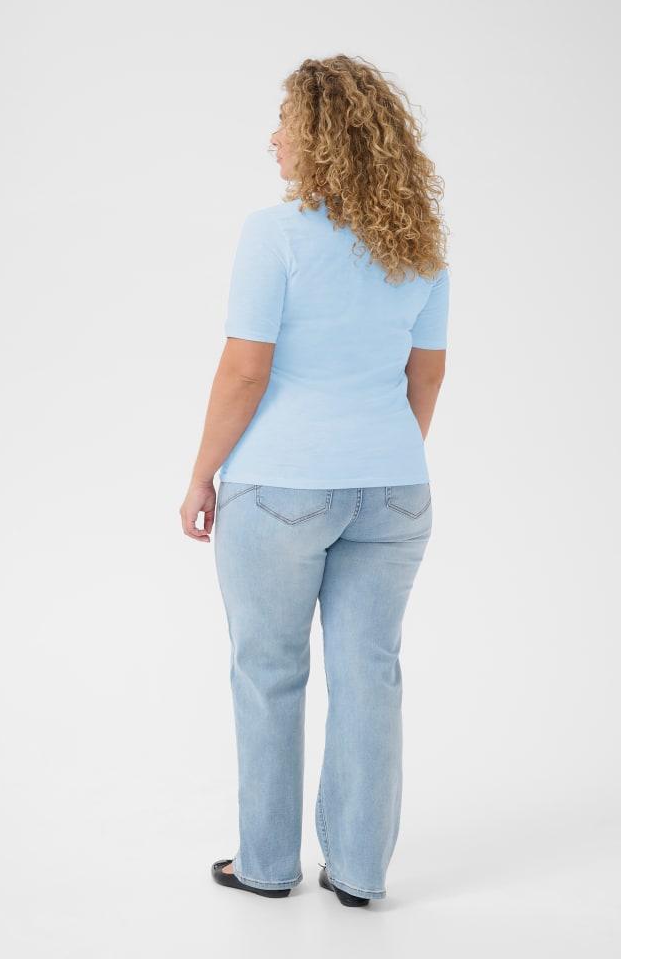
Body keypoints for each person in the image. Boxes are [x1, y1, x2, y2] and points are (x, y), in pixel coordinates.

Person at [180, 54, 450, 907]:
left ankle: (265, 865)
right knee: (371, 673)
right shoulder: (420, 245)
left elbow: (244, 371)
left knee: (269, 673)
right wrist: (381, 459)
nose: (274, 139)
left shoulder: (276, 234)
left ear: (323, 138)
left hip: (280, 489)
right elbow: (427, 375)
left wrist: (202, 474)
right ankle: (361, 873)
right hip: (395, 488)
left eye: (287, 125)